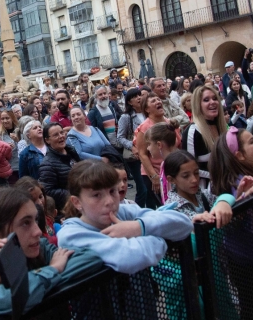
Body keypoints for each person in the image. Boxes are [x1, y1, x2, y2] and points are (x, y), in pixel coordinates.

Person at [0, 188, 103, 318]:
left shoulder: (40, 248)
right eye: (25, 223)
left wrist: (38, 286)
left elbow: (92, 257)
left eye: (35, 220)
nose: (38, 231)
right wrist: (51, 271)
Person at [57, 161, 192, 275]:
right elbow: (130, 257)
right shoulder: (71, 235)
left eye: (112, 191)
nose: (109, 201)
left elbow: (184, 224)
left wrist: (138, 227)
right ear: (77, 202)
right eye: (97, 195)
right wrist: (162, 237)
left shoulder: (124, 212)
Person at [159, 150, 234, 227]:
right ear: (171, 179)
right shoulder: (172, 209)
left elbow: (227, 198)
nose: (194, 180)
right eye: (186, 176)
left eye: (196, 173)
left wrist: (223, 202)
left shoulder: (204, 195)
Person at [135, 93, 176, 208]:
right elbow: (142, 154)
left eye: (158, 99)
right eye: (153, 101)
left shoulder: (169, 123)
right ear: (147, 109)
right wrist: (154, 177)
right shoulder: (144, 127)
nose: (158, 101)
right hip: (154, 172)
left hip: (171, 170)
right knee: (164, 205)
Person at [182, 86, 228, 172]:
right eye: (206, 100)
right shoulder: (192, 131)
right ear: (198, 105)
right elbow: (189, 168)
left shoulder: (222, 127)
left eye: (215, 98)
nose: (212, 102)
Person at [39, 122, 81, 211]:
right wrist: (74, 194)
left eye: (62, 132)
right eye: (55, 135)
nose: (61, 136)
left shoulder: (71, 151)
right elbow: (49, 191)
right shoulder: (47, 164)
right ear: (47, 140)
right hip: (69, 207)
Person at [117, 88, 147, 207]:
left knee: (150, 188)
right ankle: (135, 211)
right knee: (142, 188)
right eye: (135, 97)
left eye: (140, 95)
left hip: (149, 154)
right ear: (129, 102)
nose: (139, 98)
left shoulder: (148, 113)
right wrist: (132, 146)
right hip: (135, 158)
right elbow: (120, 137)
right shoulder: (126, 117)